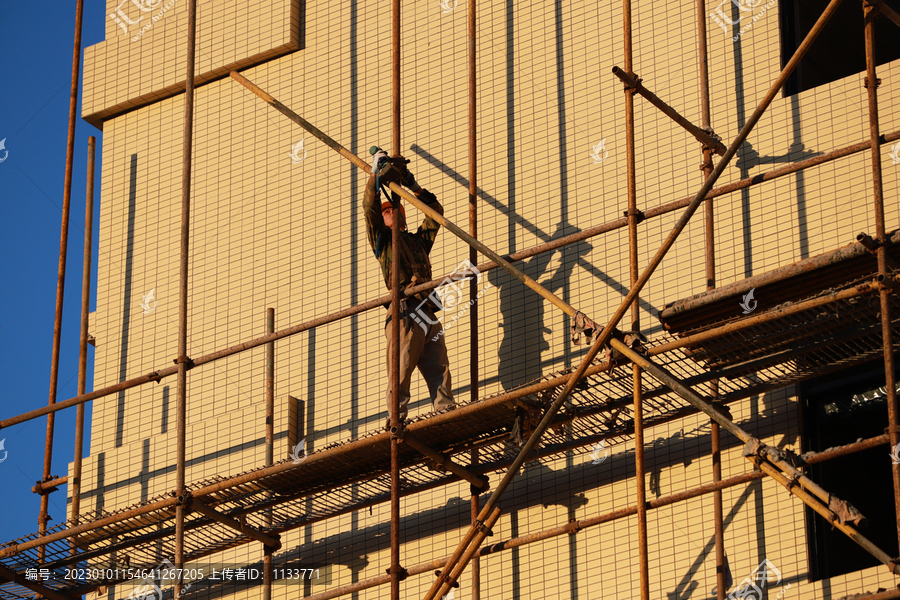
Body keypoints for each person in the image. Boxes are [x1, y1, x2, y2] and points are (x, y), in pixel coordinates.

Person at [363, 148, 455, 427]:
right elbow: (369, 209)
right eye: (388, 211)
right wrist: (374, 176)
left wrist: (413, 186)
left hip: (427, 311)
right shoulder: (383, 243)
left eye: (395, 210)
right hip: (404, 312)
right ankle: (396, 420)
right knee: (401, 368)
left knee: (439, 369)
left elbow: (435, 213)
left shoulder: (417, 242)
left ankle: (446, 414)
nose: (392, 214)